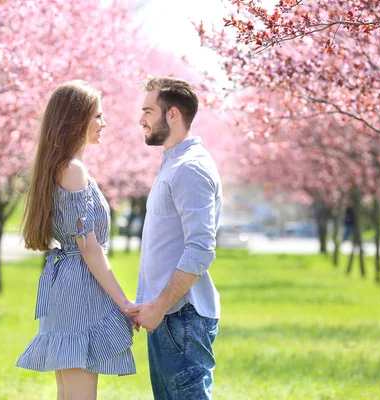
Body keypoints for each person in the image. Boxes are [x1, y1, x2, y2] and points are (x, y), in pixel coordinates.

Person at [15, 80, 136, 399]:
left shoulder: (58, 167)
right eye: (97, 116)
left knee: (68, 393)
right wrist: (124, 303)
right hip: (79, 289)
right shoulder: (73, 170)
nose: (104, 123)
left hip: (66, 287)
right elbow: (90, 248)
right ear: (75, 119)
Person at [126, 77, 222, 399]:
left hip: (180, 317)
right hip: (167, 316)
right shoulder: (173, 164)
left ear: (173, 115)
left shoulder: (189, 169)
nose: (141, 120)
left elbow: (200, 250)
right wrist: (151, 304)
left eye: (148, 111)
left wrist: (160, 307)